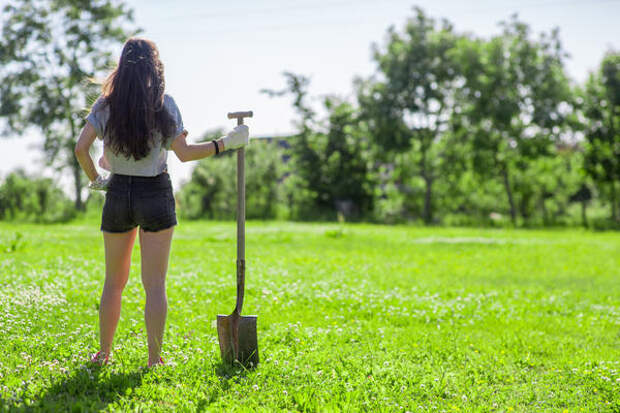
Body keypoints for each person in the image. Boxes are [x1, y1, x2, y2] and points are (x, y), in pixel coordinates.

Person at [74, 37, 249, 367]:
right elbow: (184, 154)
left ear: (122, 66)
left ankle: (104, 354)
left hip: (118, 193)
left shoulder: (104, 105)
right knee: (154, 285)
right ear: (156, 67)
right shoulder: (164, 103)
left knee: (114, 283)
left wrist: (97, 181)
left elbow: (81, 149)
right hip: (155, 193)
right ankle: (155, 360)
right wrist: (226, 143)